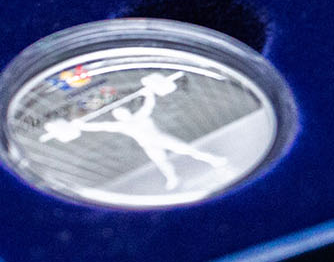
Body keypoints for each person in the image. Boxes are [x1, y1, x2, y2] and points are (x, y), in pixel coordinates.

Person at [44, 72, 227, 191]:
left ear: (127, 112)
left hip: (160, 138)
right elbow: (101, 126)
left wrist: (149, 92)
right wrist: (81, 125)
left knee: (186, 149)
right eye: (118, 114)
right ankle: (173, 178)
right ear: (118, 118)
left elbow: (149, 104)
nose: (121, 115)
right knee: (161, 161)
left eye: (122, 112)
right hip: (149, 145)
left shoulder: (141, 116)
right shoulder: (121, 126)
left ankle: (213, 159)